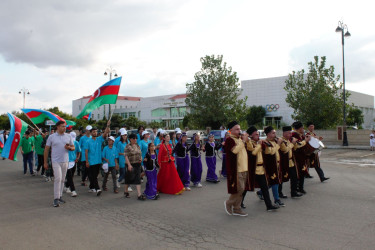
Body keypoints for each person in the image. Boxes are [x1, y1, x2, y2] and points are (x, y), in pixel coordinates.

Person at [245, 126, 278, 211]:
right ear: (251, 135)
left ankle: (269, 205)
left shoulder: (260, 142)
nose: (258, 135)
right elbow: (253, 153)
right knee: (246, 187)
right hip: (252, 169)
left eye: (258, 133)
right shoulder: (249, 143)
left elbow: (268, 152)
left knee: (265, 188)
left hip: (261, 169)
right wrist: (259, 145)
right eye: (256, 134)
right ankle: (239, 202)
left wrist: (268, 146)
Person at [44, 121, 75, 207]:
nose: (64, 128)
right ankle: (56, 199)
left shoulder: (68, 136)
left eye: (65, 126)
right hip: (55, 161)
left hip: (65, 161)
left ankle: (60, 196)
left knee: (62, 179)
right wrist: (45, 162)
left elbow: (73, 147)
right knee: (58, 178)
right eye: (62, 126)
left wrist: (69, 148)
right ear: (57, 127)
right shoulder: (51, 137)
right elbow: (46, 149)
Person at [224, 121, 251, 217]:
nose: (239, 131)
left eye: (239, 129)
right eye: (237, 129)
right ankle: (229, 203)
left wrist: (247, 140)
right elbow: (235, 151)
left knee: (242, 190)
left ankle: (237, 208)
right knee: (240, 189)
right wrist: (243, 141)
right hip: (237, 169)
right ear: (231, 130)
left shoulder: (240, 139)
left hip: (244, 168)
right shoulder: (230, 140)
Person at [260, 126, 285, 208]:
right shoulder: (265, 142)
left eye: (275, 133)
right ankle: (277, 200)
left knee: (274, 181)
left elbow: (283, 149)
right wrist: (278, 144)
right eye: (273, 133)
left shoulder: (275, 141)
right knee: (275, 182)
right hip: (270, 165)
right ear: (268, 134)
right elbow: (271, 152)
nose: (275, 134)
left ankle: (261, 192)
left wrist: (282, 143)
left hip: (277, 164)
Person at [85, 121, 111, 196]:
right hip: (91, 161)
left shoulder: (99, 139)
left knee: (95, 175)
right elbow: (86, 152)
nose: (95, 133)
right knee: (94, 176)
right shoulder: (88, 141)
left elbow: (106, 133)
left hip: (98, 161)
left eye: (96, 131)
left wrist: (108, 125)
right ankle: (98, 189)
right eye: (93, 132)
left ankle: (91, 186)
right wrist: (87, 161)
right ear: (91, 133)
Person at [279, 126, 303, 198]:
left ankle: (294, 192)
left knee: (294, 177)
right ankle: (279, 193)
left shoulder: (289, 140)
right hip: (283, 162)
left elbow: (295, 147)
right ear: (285, 133)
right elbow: (285, 150)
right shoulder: (281, 141)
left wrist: (297, 143)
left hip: (291, 162)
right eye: (289, 133)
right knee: (282, 178)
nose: (291, 135)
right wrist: (292, 143)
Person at [291, 121, 311, 194]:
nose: (303, 129)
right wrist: (305, 141)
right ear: (299, 129)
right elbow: (298, 145)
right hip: (296, 157)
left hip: (302, 157)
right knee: (297, 173)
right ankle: (296, 189)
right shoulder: (293, 135)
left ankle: (300, 188)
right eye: (302, 128)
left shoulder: (301, 135)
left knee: (302, 172)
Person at [124, 133, 145, 200]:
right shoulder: (127, 146)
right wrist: (129, 165)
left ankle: (139, 194)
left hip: (137, 164)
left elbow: (140, 153)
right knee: (129, 178)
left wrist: (141, 158)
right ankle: (126, 190)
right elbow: (126, 156)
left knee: (137, 179)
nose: (135, 139)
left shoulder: (137, 145)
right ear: (130, 139)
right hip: (131, 164)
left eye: (136, 138)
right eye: (133, 138)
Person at [64, 131, 81, 197]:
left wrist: (77, 158)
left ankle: (67, 185)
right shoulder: (66, 143)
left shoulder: (76, 143)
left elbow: (79, 151)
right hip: (67, 161)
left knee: (71, 176)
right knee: (70, 176)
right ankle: (73, 190)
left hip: (73, 162)